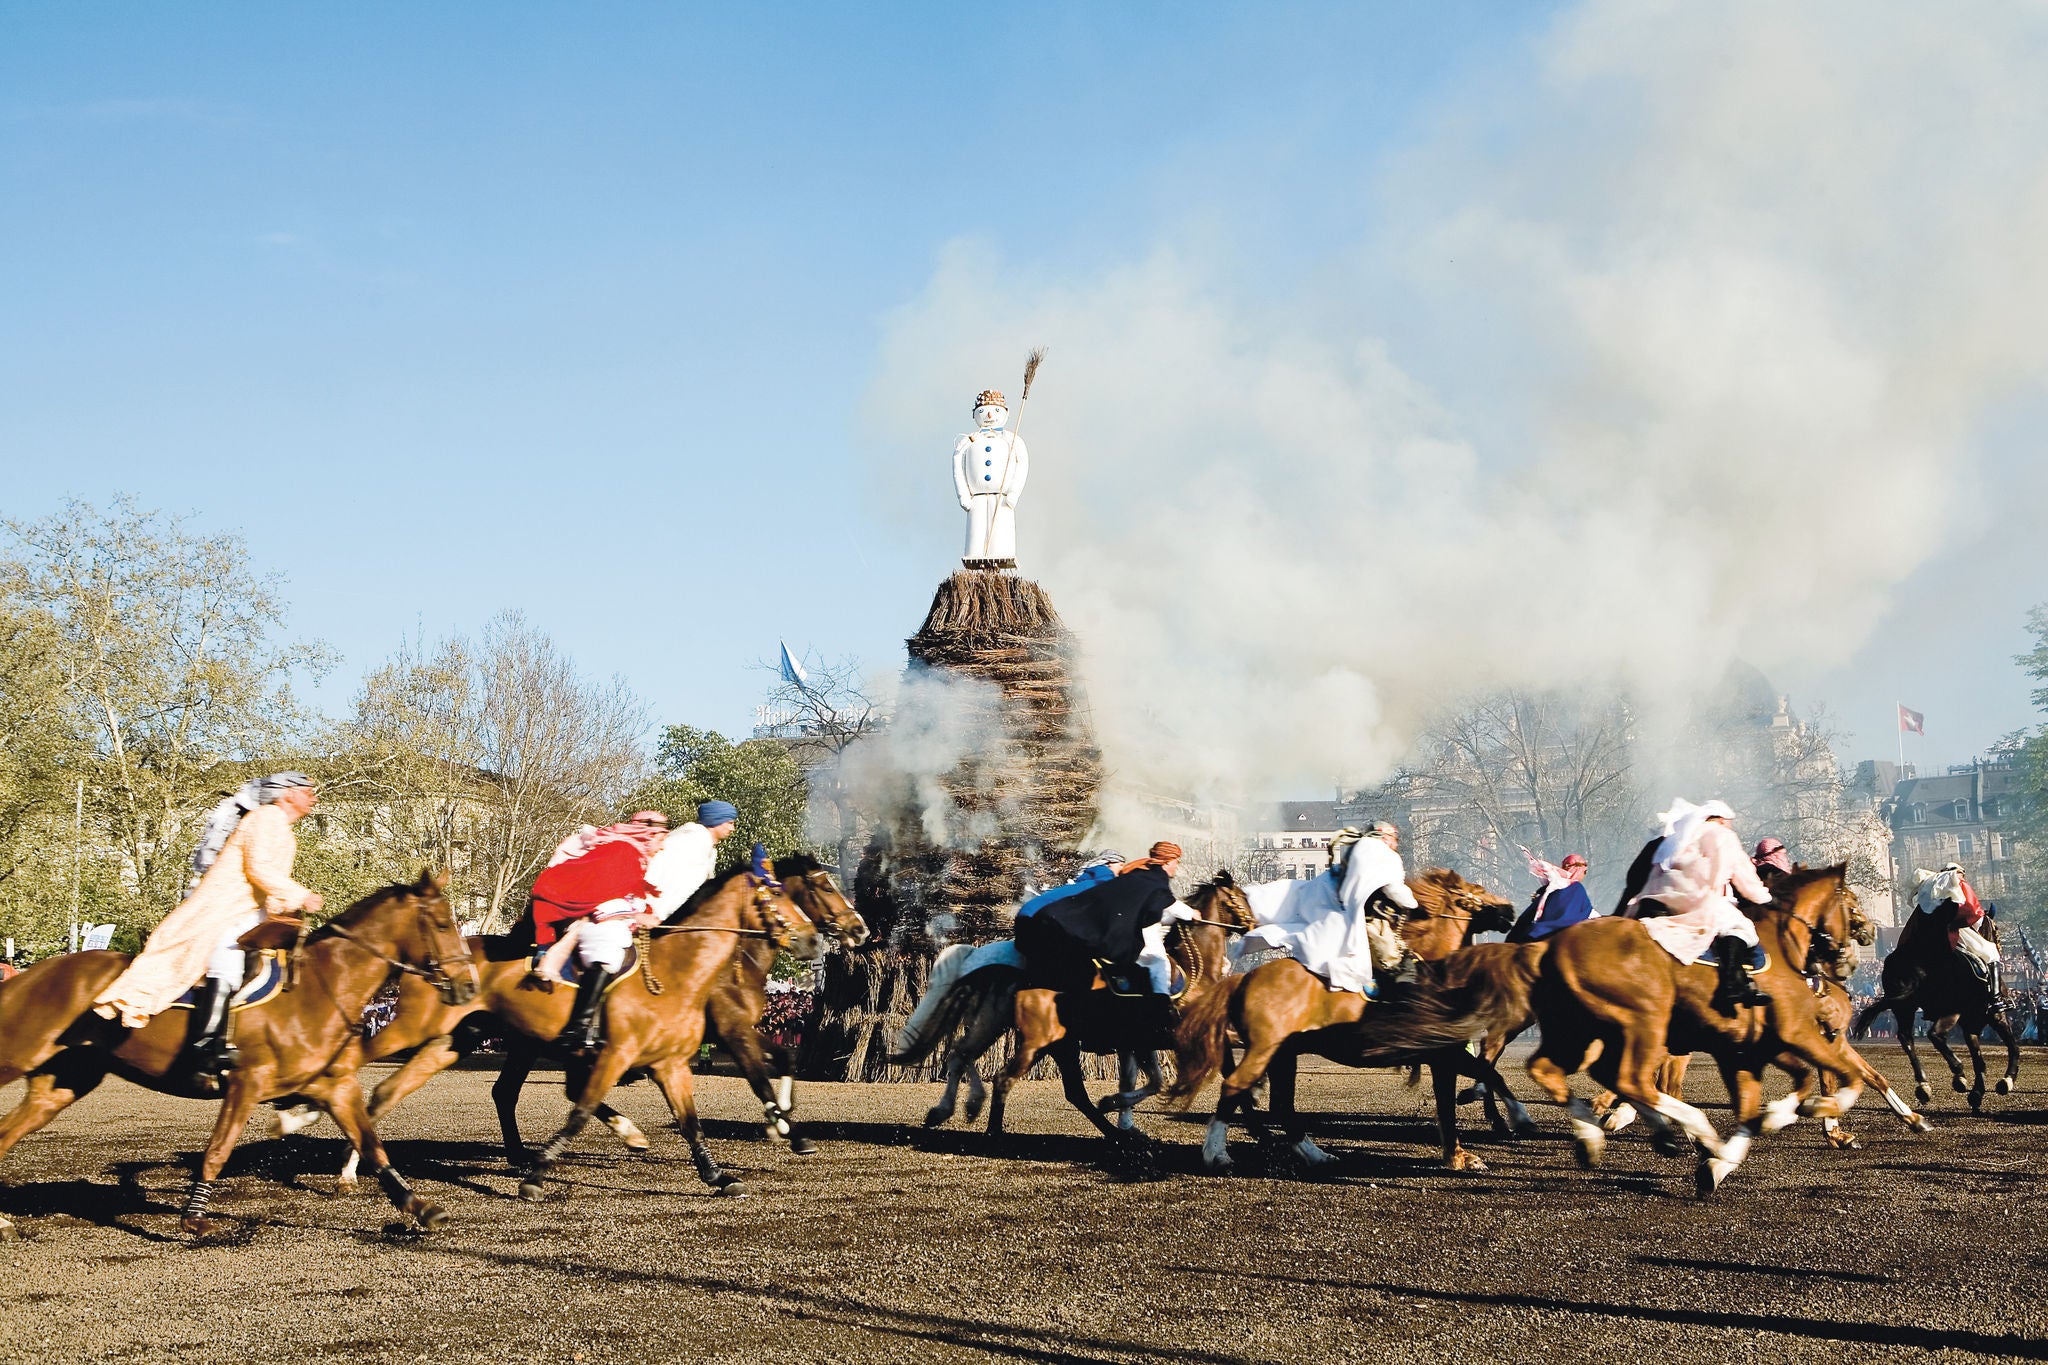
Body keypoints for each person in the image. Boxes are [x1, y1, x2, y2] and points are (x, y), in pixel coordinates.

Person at [92, 772, 323, 1091]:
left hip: (247, 908)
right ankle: (206, 1048)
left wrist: (285, 909)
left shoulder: (279, 825)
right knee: (226, 955)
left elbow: (267, 878)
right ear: (287, 795)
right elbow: (259, 868)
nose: (313, 796)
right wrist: (299, 895)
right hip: (225, 905)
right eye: (307, 791)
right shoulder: (266, 818)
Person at [1627, 799, 1773, 1013]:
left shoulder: (1681, 837)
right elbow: (1744, 877)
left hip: (1663, 898)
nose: (1731, 828)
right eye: (1730, 823)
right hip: (1697, 899)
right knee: (1740, 926)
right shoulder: (1721, 834)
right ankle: (1732, 983)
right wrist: (1767, 898)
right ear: (1722, 820)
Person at [1239, 821, 1417, 996]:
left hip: (1341, 919)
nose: (1395, 843)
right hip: (1371, 927)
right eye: (1393, 838)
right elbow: (1396, 891)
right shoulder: (1383, 855)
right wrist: (1414, 904)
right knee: (1403, 971)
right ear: (1384, 837)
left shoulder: (1354, 853)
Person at [1015, 842, 1180, 1000]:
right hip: (1040, 923)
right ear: (1109, 863)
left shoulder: (1089, 879)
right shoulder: (1105, 882)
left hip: (1030, 917)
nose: (1122, 869)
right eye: (1120, 865)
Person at [953, 389, 1029, 568]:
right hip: (976, 498)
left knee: (1001, 531)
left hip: (1002, 496)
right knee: (977, 531)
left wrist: (1013, 492)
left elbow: (1022, 464)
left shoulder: (1012, 440)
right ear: (974, 414)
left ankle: (1001, 554)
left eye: (995, 410)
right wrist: (963, 495)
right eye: (982, 410)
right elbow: (957, 466)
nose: (988, 414)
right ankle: (975, 555)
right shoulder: (967, 442)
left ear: (1005, 413)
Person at [1507, 851, 1593, 943]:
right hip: (1559, 938)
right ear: (1578, 869)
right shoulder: (1576, 889)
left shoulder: (1548, 890)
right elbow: (1585, 914)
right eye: (1584, 871)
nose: (1584, 875)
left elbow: (1524, 919)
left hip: (1528, 937)